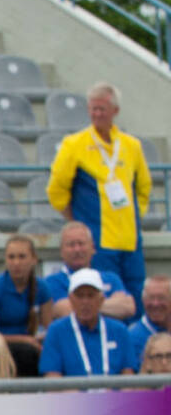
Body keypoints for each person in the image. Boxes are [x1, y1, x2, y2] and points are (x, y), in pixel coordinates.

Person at [46, 82, 152, 312]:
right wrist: (74, 220)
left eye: (102, 109)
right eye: (93, 109)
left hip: (130, 239)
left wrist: (132, 218)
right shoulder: (75, 144)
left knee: (135, 300)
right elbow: (56, 189)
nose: (96, 114)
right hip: (98, 240)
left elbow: (144, 186)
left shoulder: (131, 145)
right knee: (104, 300)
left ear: (115, 111)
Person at [39, 269, 134, 378]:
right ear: (70, 299)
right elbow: (52, 379)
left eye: (91, 296)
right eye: (80, 296)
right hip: (72, 395)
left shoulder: (119, 331)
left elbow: (128, 377)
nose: (85, 302)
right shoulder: (56, 331)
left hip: (113, 394)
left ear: (101, 300)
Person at [0, 234, 47, 377]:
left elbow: (49, 327)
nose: (16, 263)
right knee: (26, 352)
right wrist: (25, 340)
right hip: (1, 348)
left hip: (33, 347)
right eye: (11, 257)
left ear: (34, 259)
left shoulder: (42, 288)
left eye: (22, 257)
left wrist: (39, 340)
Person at [40, 221, 135, 321]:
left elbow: (129, 307)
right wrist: (108, 303)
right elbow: (64, 310)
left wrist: (81, 305)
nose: (77, 249)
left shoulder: (111, 278)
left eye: (81, 243)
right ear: (61, 251)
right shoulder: (52, 282)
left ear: (93, 248)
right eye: (71, 245)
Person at [126, 275, 170, 370]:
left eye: (161, 298)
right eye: (150, 298)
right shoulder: (132, 336)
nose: (155, 303)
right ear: (143, 300)